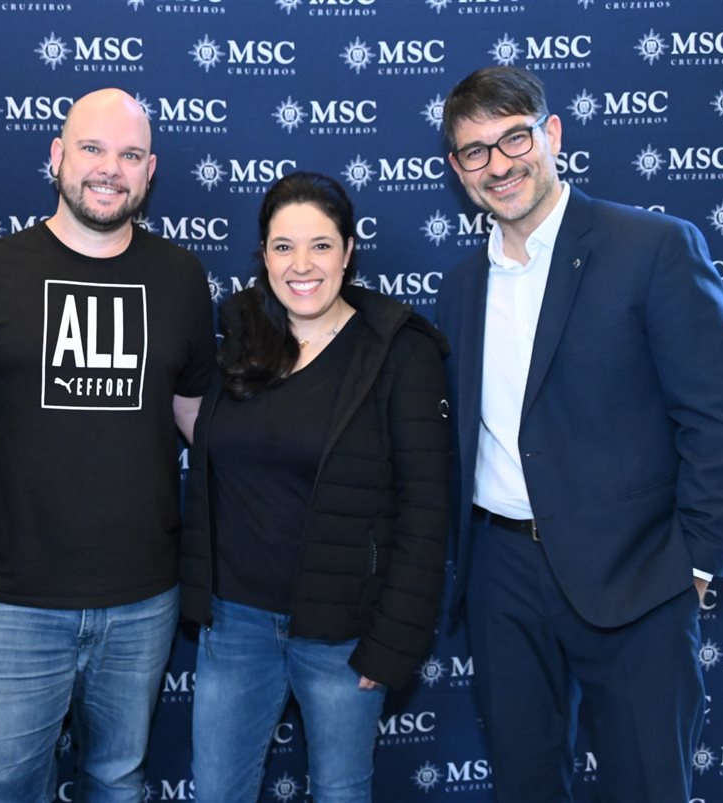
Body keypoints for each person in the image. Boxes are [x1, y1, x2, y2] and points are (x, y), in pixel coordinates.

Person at [435, 66, 723, 803]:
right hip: (502, 576)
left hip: (638, 575)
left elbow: (719, 421)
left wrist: (694, 568)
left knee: (648, 783)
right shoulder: (459, 287)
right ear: (457, 170)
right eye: (475, 151)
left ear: (551, 135)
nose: (499, 164)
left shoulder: (653, 248)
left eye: (514, 137)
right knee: (524, 784)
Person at [0, 87, 215, 802]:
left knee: (118, 783)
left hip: (144, 601)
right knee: (4, 791)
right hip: (10, 607)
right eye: (91, 148)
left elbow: (201, 421)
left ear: (150, 171)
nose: (108, 168)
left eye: (129, 155)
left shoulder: (181, 278)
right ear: (57, 156)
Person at [181, 172, 451, 802]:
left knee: (340, 793)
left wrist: (391, 643)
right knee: (217, 792)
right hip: (235, 624)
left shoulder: (398, 351)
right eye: (282, 247)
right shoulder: (243, 337)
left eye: (321, 245)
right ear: (263, 255)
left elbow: (425, 509)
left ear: (349, 251)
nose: (301, 265)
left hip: (344, 634)